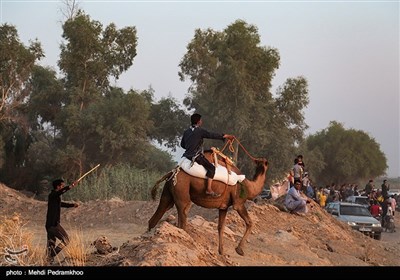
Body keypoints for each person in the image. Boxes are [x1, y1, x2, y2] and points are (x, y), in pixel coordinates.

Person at [180, 113, 234, 197]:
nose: (201, 121)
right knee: (211, 168)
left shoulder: (186, 132)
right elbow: (211, 135)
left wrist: (190, 146)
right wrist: (225, 136)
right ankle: (209, 189)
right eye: (200, 120)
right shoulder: (200, 131)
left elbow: (182, 145)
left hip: (186, 156)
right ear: (198, 122)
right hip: (196, 156)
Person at [45, 179, 79, 263]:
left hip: (49, 225)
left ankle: (48, 260)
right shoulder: (53, 195)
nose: (63, 187)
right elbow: (60, 193)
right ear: (58, 186)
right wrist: (70, 186)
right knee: (66, 240)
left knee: (51, 243)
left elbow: (61, 204)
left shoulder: (55, 197)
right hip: (53, 225)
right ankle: (51, 255)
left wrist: (72, 205)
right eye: (62, 186)